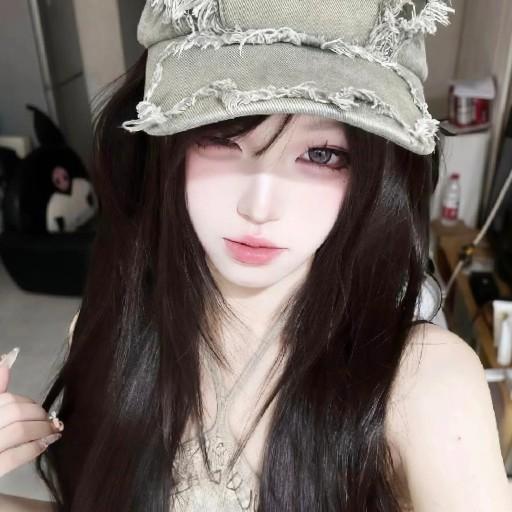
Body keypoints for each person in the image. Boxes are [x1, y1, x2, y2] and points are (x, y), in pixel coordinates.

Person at [1, 0, 511, 510]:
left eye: (322, 154)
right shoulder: (111, 332)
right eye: (221, 137)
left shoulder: (424, 384)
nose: (259, 206)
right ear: (167, 144)